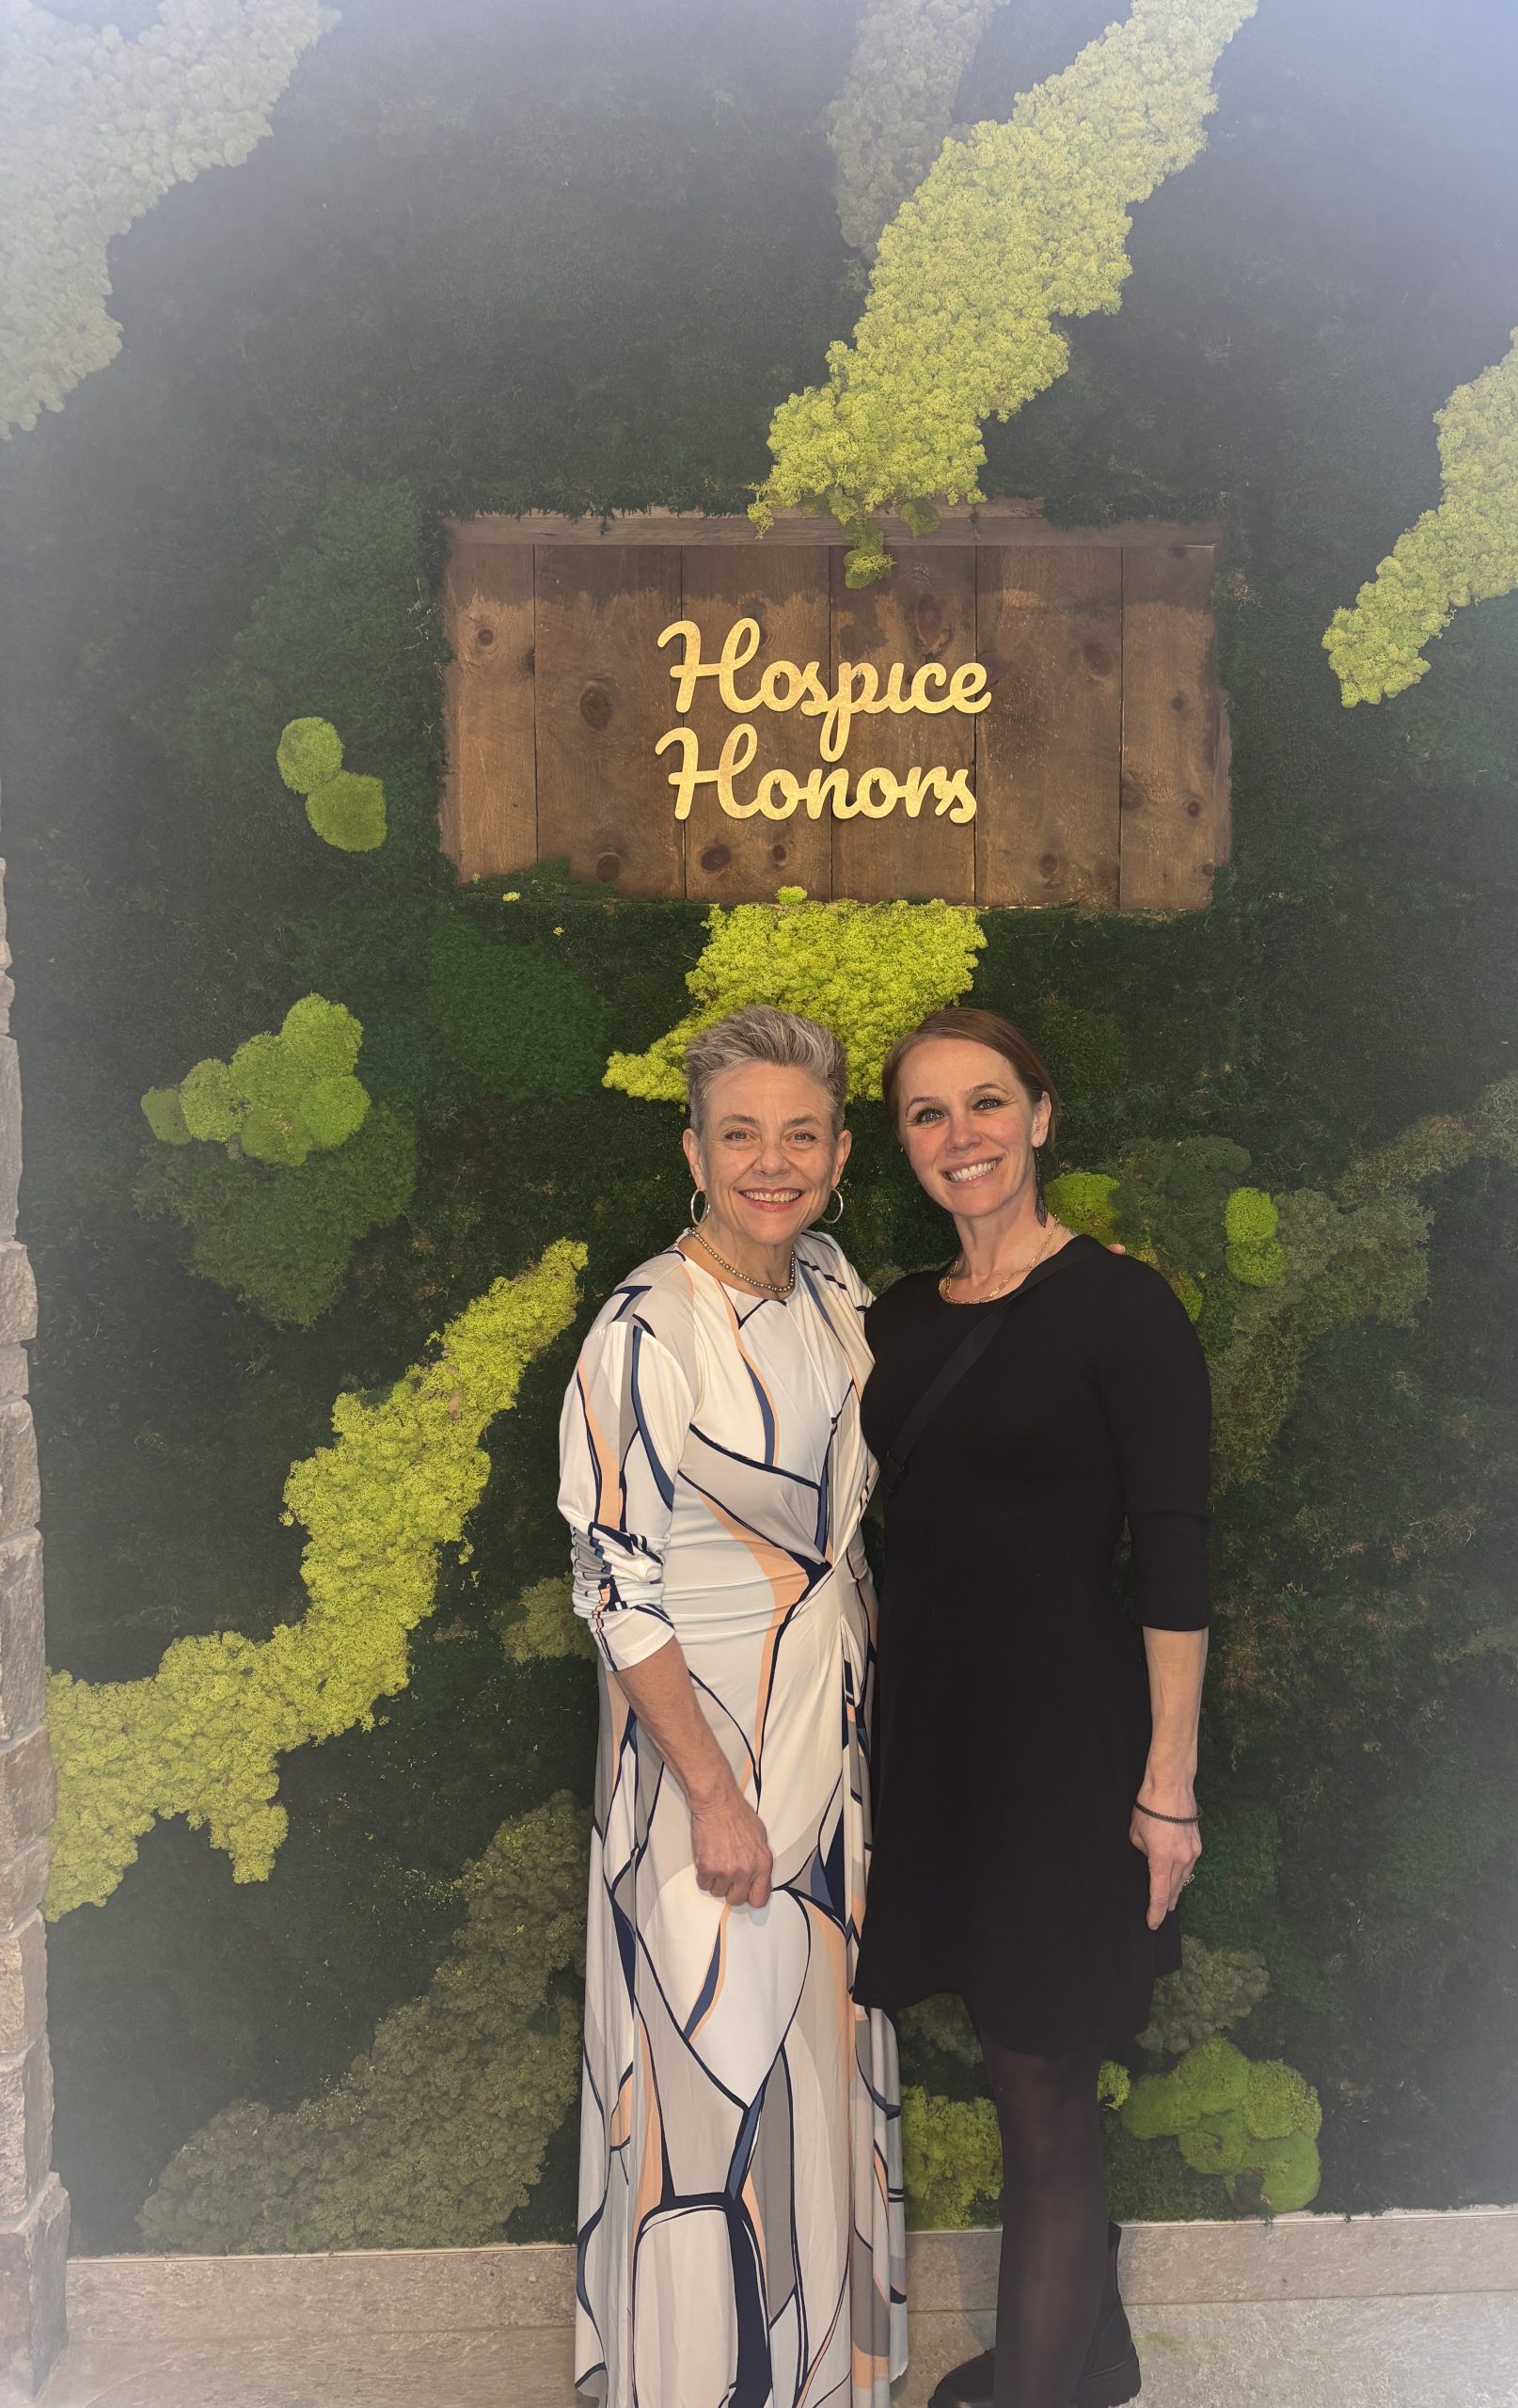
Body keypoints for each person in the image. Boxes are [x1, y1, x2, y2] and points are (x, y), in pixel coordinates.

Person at [856, 1007, 1211, 2408]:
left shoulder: (1124, 1308)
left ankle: (1044, 2389)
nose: (963, 1137)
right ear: (904, 1146)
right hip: (941, 1745)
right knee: (1012, 2054)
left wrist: (1168, 1787)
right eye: (928, 1114)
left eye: (987, 1102)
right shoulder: (891, 1317)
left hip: (1068, 1749)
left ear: (1042, 1115)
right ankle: (1093, 2352)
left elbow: (1174, 1553)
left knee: (1043, 2078)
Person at [557, 1005, 906, 2408]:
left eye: (801, 1135)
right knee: (709, 2088)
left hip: (833, 1759)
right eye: (742, 1134)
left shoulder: (832, 1285)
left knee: (815, 2072)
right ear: (693, 1151)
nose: (774, 1162)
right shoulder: (645, 1327)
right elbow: (614, 1586)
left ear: (839, 1155)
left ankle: (818, 2380)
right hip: (707, 1771)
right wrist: (711, 1794)